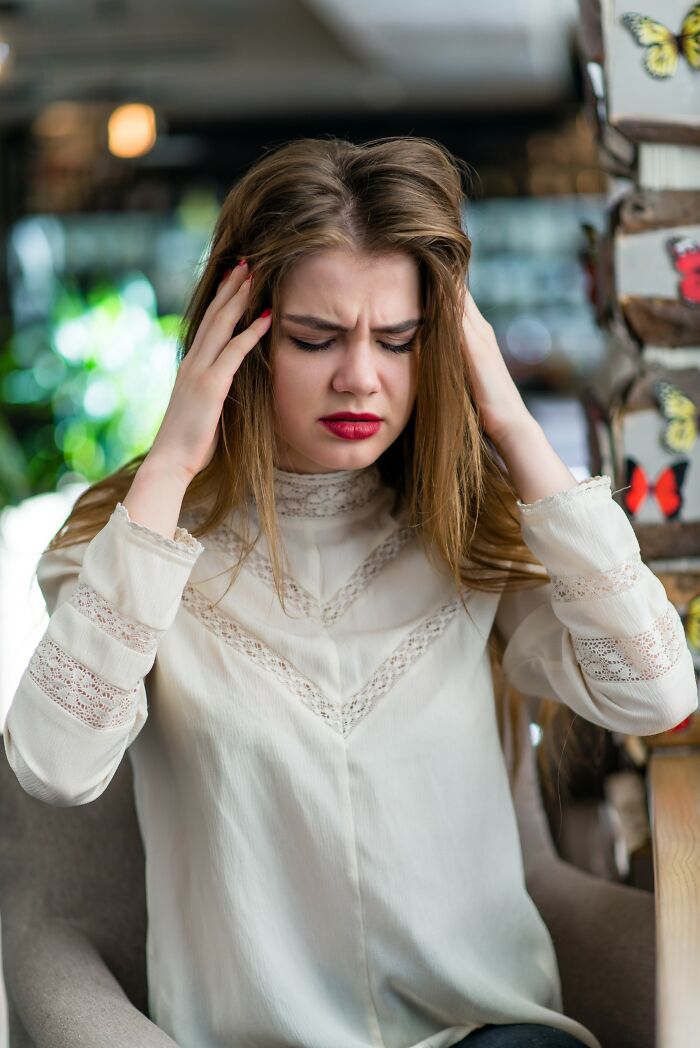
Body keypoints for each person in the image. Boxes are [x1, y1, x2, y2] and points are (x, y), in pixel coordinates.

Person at [4, 135, 697, 1048]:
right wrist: (172, 463)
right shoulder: (125, 545)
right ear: (240, 338)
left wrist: (509, 419)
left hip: (491, 1036)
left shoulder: (468, 528)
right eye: (314, 337)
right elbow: (53, 767)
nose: (360, 377)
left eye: (400, 340)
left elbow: (657, 693)